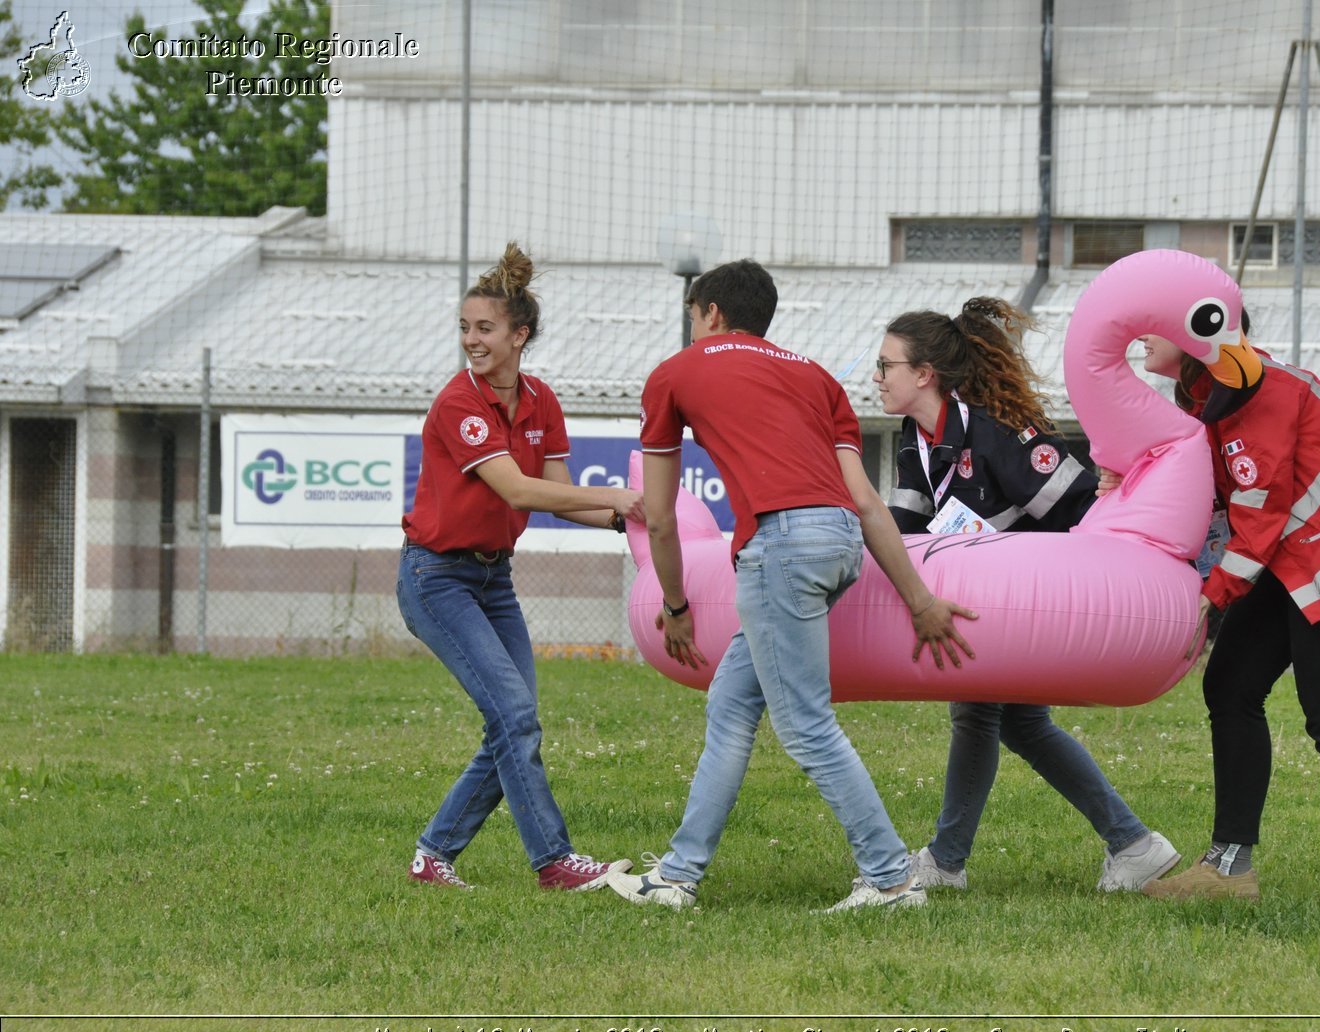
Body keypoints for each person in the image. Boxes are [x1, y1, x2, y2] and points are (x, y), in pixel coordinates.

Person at [606, 259, 977, 913]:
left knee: (806, 725)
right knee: (731, 704)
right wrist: (917, 598)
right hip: (838, 544)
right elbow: (863, 502)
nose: (691, 326)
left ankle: (892, 879)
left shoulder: (674, 373)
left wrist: (675, 604)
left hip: (780, 550)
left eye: (692, 315)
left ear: (709, 313)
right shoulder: (815, 376)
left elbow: (658, 515)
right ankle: (677, 874)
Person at [876, 297, 1181, 895]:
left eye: (887, 365)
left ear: (924, 375)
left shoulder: (995, 431)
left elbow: (1083, 510)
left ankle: (949, 861)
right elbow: (904, 530)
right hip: (993, 606)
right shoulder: (916, 438)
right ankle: (1131, 844)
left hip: (1044, 603)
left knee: (986, 714)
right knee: (1007, 719)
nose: (878, 378)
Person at [1133, 311, 1320, 902]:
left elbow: (1260, 512)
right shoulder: (1205, 390)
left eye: (1152, 322)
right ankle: (1228, 869)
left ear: (1196, 336)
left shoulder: (1256, 390)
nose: (1140, 334)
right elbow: (1217, 491)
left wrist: (1208, 600)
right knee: (1232, 685)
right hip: (1289, 548)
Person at [399, 242, 645, 892]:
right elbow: (521, 491)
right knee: (514, 715)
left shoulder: (540, 400)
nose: (470, 340)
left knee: (516, 720)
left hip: (492, 580)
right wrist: (614, 494)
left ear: (519, 335)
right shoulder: (459, 403)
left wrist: (632, 518)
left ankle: (433, 855)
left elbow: (561, 496)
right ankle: (555, 863)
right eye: (464, 328)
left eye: (484, 328)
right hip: (436, 578)